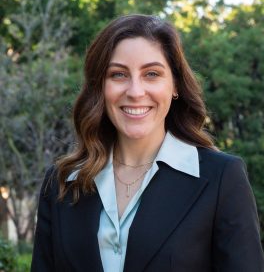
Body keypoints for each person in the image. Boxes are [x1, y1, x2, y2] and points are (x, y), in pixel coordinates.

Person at [31, 14, 264, 272]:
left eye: (151, 74)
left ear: (174, 85)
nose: (135, 92)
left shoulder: (221, 178)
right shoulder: (61, 182)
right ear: (101, 87)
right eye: (118, 75)